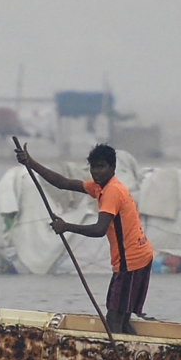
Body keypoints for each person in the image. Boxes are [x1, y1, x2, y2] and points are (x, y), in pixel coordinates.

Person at [15, 142, 154, 335]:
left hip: (131, 260)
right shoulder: (99, 187)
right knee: (122, 316)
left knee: (114, 317)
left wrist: (66, 227)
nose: (96, 172)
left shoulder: (112, 192)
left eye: (101, 167)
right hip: (139, 256)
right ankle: (131, 349)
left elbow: (99, 229)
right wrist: (30, 163)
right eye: (93, 167)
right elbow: (63, 183)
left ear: (113, 168)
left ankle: (118, 353)